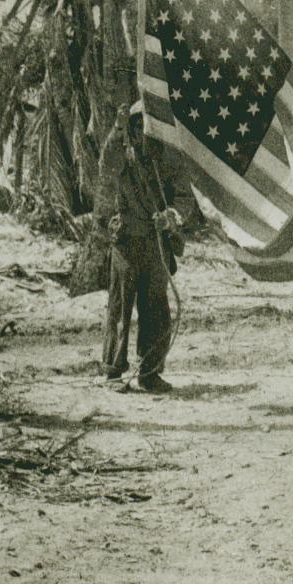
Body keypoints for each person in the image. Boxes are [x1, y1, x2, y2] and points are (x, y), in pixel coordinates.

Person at [95, 100, 191, 393]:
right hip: (126, 242)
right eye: (137, 126)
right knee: (120, 308)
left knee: (156, 309)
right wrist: (116, 128)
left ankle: (150, 372)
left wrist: (171, 218)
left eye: (147, 127)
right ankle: (113, 371)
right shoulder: (124, 155)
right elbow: (107, 165)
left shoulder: (168, 158)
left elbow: (185, 198)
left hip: (155, 243)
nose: (143, 132)